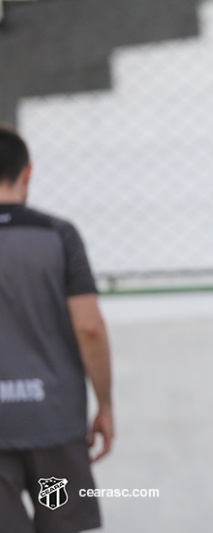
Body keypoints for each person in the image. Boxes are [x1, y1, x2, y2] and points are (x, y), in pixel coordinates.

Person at [0, 123, 114, 532]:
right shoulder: (58, 235)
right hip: (56, 423)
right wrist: (105, 405)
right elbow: (90, 328)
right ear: (27, 172)